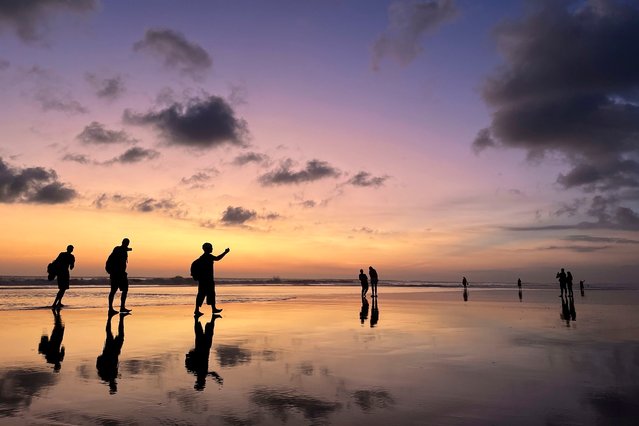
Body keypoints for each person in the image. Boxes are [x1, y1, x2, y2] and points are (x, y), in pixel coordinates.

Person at [192, 243, 230, 316]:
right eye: (211, 248)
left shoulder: (202, 258)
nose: (212, 249)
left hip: (203, 280)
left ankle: (200, 310)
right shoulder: (208, 256)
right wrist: (225, 252)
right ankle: (208, 309)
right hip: (207, 280)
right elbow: (217, 258)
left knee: (203, 294)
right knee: (209, 294)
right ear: (207, 249)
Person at [106, 238, 132, 314]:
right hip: (116, 273)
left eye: (127, 243)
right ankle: (110, 308)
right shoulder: (118, 249)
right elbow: (112, 258)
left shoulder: (123, 250)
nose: (127, 244)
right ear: (123, 243)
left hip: (122, 274)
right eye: (126, 243)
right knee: (113, 291)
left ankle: (122, 307)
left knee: (125, 290)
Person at [51, 245, 75, 310]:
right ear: (71, 250)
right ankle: (55, 303)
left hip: (60, 273)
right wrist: (72, 264)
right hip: (65, 273)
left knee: (62, 289)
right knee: (62, 289)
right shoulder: (71, 257)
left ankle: (59, 302)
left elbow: (56, 261)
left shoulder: (62, 254)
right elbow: (71, 267)